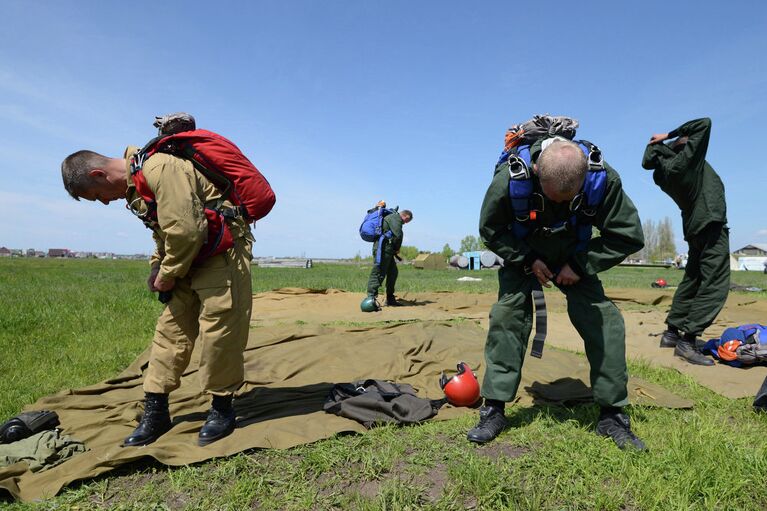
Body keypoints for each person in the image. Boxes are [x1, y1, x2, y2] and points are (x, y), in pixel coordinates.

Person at [60, 145, 254, 447]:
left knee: (220, 331)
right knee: (169, 332)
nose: (105, 202)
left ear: (98, 174)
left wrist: (167, 273)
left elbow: (186, 230)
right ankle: (156, 409)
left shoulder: (160, 167)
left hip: (221, 254)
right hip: (186, 257)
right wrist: (157, 266)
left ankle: (221, 408)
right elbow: (163, 229)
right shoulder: (137, 182)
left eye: (97, 195)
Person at [470, 137, 646, 450]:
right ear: (537, 172)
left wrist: (579, 264)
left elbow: (627, 235)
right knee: (507, 317)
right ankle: (494, 408)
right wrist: (526, 258)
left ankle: (612, 415)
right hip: (523, 252)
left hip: (575, 255)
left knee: (606, 321)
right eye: (555, 198)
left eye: (570, 199)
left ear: (583, 181)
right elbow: (491, 229)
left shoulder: (604, 180)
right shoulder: (509, 180)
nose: (563, 206)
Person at [642, 118, 730, 366]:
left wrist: (665, 144)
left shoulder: (664, 172)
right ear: (686, 149)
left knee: (693, 280)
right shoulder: (685, 164)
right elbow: (704, 123)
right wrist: (669, 134)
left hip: (695, 228)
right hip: (710, 227)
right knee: (715, 285)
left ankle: (672, 333)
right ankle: (688, 341)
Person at [365, 207, 412, 307]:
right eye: (407, 220)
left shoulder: (393, 218)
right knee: (379, 272)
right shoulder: (395, 218)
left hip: (387, 249)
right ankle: (370, 298)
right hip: (382, 248)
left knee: (393, 272)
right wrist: (397, 248)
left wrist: (393, 250)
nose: (405, 223)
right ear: (404, 215)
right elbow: (398, 235)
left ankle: (390, 298)